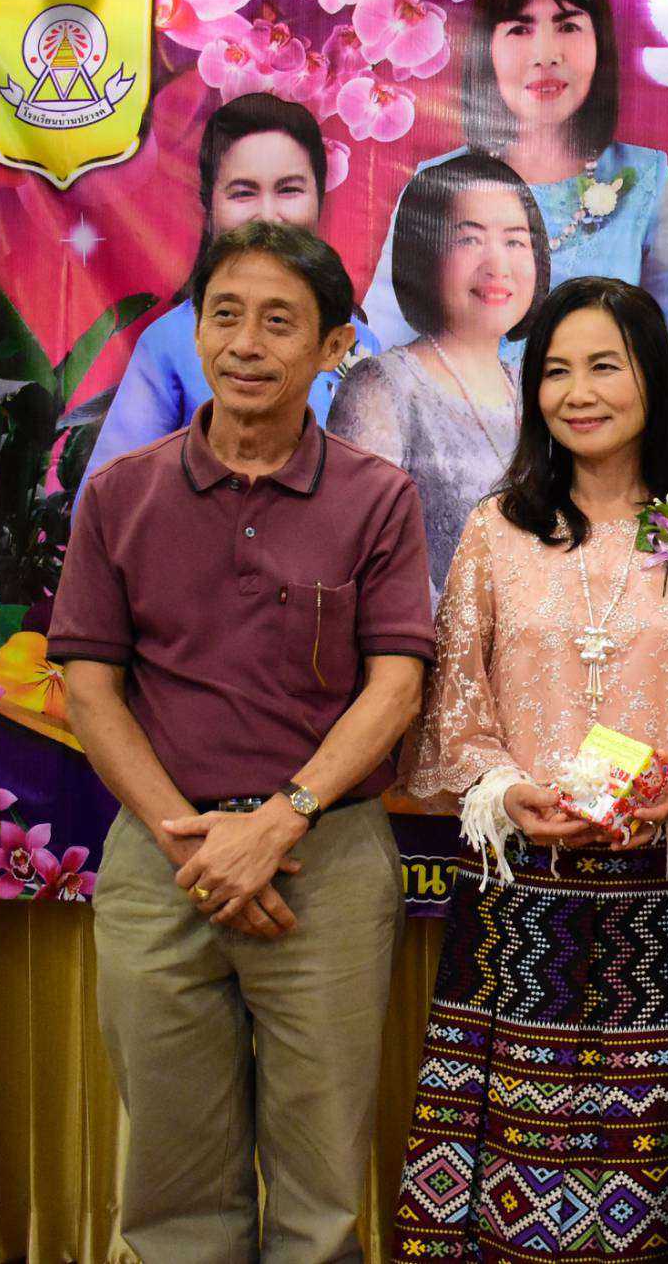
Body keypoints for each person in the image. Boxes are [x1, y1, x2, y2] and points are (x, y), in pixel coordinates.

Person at [50, 221, 434, 1263]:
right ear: (194, 331)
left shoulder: (377, 497)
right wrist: (193, 842)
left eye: (279, 322)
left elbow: (396, 686)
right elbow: (90, 688)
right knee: (171, 1175)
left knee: (321, 1180)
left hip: (325, 861)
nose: (246, 344)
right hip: (161, 861)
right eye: (224, 315)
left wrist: (279, 822)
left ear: (335, 346)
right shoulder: (122, 494)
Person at [390, 276, 668, 1261]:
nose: (578, 392)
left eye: (605, 365)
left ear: (654, 378)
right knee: (511, 1166)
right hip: (520, 902)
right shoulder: (496, 529)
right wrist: (504, 792)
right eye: (555, 370)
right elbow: (452, 713)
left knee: (657, 1161)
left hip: (667, 907)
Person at [361, 0, 668, 407]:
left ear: (600, 42)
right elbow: (380, 357)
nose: (546, 55)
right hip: (460, 441)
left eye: (568, 26)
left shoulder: (644, 179)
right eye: (519, 29)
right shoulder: (438, 184)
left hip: (600, 440)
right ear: (486, 49)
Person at [83, 92, 380, 484]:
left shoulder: (359, 342)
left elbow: (377, 486)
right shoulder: (169, 342)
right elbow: (108, 495)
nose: (268, 215)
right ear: (209, 206)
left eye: (289, 190)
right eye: (243, 192)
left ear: (320, 197)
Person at [327, 150, 550, 598]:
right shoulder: (384, 388)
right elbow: (355, 557)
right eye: (469, 239)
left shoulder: (533, 390)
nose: (498, 266)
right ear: (423, 254)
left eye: (515, 241)